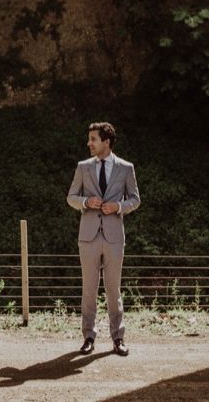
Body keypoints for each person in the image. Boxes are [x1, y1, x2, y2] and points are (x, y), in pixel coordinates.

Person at [67, 122, 141, 356]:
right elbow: (71, 197)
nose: (89, 143)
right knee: (89, 289)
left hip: (114, 237)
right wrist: (86, 202)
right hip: (88, 237)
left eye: (93, 139)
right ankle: (88, 336)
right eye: (89, 139)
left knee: (113, 289)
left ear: (106, 142)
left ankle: (118, 339)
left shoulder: (126, 168)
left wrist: (118, 206)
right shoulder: (82, 167)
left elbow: (135, 199)